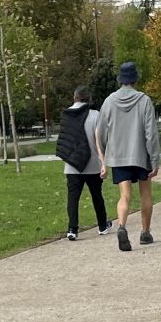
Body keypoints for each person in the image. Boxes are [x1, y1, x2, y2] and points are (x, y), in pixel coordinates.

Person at [95, 60, 159, 251]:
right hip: (141, 156)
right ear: (136, 80)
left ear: (120, 80)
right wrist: (154, 159)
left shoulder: (109, 101)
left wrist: (104, 154)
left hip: (119, 156)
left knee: (125, 196)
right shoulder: (144, 100)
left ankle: (122, 226)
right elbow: (151, 134)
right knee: (145, 193)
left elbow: (100, 131)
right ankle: (145, 232)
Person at [55, 87, 108, 241]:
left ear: (75, 97)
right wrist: (104, 161)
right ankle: (102, 225)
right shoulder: (96, 115)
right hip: (93, 164)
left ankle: (72, 229)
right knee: (97, 195)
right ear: (89, 99)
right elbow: (100, 140)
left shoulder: (66, 115)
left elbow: (66, 139)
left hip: (72, 165)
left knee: (73, 198)